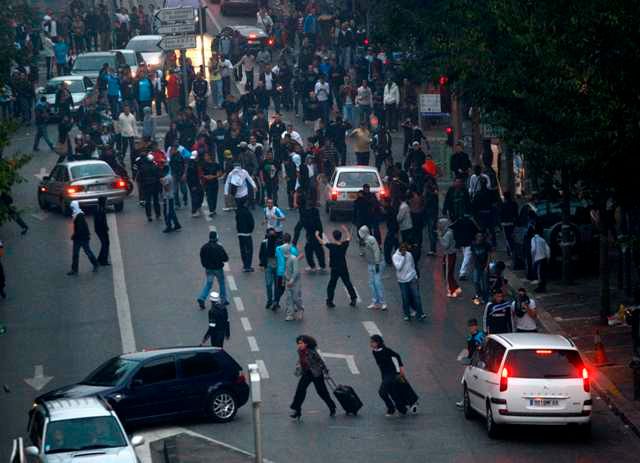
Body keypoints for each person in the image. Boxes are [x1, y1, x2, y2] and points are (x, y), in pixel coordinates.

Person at [290, 335, 336, 420]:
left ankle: (332, 406)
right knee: (300, 391)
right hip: (306, 373)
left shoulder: (312, 351)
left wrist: (325, 371)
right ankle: (297, 410)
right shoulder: (300, 351)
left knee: (322, 392)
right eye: (298, 343)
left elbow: (320, 361)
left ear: (306, 344)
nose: (299, 345)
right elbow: (301, 360)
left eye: (301, 343)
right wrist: (298, 366)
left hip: (316, 373)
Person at [370, 334, 415, 416]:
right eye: (371, 342)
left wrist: (401, 368)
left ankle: (391, 408)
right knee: (392, 391)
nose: (371, 344)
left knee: (382, 392)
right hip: (384, 375)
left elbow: (397, 355)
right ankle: (402, 409)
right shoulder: (374, 351)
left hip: (391, 374)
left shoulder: (385, 350)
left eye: (373, 342)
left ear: (378, 342)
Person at [316, 225, 357, 308]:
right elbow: (349, 237)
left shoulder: (332, 246)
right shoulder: (344, 245)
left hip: (334, 268)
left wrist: (316, 235)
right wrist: (346, 230)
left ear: (333, 237)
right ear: (340, 237)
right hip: (343, 267)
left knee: (332, 285)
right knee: (347, 282)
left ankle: (330, 301)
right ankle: (353, 298)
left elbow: (322, 242)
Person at [392, 243, 427, 321]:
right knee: (405, 297)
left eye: (406, 249)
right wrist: (403, 258)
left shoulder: (409, 254)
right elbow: (398, 268)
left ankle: (420, 313)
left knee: (416, 296)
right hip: (402, 280)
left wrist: (415, 275)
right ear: (400, 249)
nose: (405, 252)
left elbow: (412, 265)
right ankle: (407, 314)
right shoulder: (395, 257)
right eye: (403, 250)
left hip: (412, 278)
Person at [197, 230, 229, 309]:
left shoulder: (204, 247)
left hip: (208, 269)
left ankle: (202, 297)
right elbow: (225, 258)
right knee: (221, 283)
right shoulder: (219, 247)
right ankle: (223, 299)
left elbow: (202, 257)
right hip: (218, 269)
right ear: (216, 238)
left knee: (208, 284)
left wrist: (205, 265)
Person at [67, 201, 99, 276]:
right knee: (79, 253)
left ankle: (94, 264)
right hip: (80, 237)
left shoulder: (79, 216)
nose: (71, 209)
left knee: (85, 252)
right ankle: (75, 269)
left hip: (82, 238)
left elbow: (80, 229)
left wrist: (74, 235)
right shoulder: (78, 214)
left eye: (72, 207)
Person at [358, 225, 386, 310]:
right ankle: (375, 302)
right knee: (372, 283)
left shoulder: (371, 239)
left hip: (377, 263)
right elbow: (363, 252)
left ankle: (382, 302)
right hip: (370, 263)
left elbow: (376, 251)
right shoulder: (363, 240)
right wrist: (361, 246)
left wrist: (377, 263)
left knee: (377, 283)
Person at [439, 218, 461, 298]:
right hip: (452, 254)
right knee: (450, 273)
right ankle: (456, 288)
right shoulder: (450, 232)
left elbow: (445, 245)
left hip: (449, 255)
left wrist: (440, 237)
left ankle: (451, 291)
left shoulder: (448, 234)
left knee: (447, 274)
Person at [259, 228, 279, 309]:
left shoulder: (278, 243)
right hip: (268, 266)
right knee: (268, 284)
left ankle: (276, 301)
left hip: (277, 266)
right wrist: (262, 264)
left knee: (277, 285)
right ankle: (269, 300)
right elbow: (261, 254)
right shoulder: (264, 243)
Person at [471, 232, 493, 305]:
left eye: (481, 236)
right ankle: (479, 294)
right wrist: (473, 265)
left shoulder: (486, 245)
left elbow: (489, 256)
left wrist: (487, 266)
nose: (480, 238)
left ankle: (485, 298)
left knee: (485, 284)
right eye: (478, 236)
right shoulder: (473, 244)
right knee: (476, 281)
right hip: (477, 266)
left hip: (484, 266)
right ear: (476, 237)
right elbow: (473, 255)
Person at [283, 243, 304, 321]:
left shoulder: (293, 258)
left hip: (295, 281)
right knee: (289, 298)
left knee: (296, 297)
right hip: (287, 280)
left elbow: (296, 271)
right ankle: (290, 314)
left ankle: (300, 309)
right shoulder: (283, 259)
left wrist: (292, 280)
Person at [138, 154, 161, 221]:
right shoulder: (155, 166)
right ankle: (158, 214)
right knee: (156, 201)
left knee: (147, 201)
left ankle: (149, 215)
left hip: (146, 186)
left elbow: (140, 178)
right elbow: (159, 176)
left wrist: (142, 186)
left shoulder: (142, 167)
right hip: (155, 186)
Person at [160, 164, 181, 233]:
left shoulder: (166, 178)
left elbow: (167, 188)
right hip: (170, 196)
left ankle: (168, 226)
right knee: (171, 212)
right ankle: (177, 224)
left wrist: (162, 182)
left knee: (167, 213)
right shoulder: (169, 176)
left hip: (168, 197)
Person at [236, 204, 255, 272]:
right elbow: (251, 223)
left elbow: (237, 222)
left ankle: (245, 265)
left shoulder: (238, 212)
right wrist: (250, 230)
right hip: (247, 234)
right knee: (249, 250)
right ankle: (248, 266)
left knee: (243, 250)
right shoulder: (247, 212)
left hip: (240, 234)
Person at [531, 227, 550, 293]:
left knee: (539, 274)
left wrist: (533, 258)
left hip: (537, 258)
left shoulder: (533, 239)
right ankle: (543, 287)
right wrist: (548, 258)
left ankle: (540, 288)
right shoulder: (542, 240)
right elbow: (548, 249)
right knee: (543, 274)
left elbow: (533, 249)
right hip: (544, 258)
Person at [94, 197, 110, 266]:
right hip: (101, 230)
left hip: (99, 230)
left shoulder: (99, 208)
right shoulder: (101, 210)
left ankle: (100, 259)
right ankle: (103, 260)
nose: (107, 203)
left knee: (104, 244)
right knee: (105, 244)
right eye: (106, 201)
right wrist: (106, 228)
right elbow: (101, 222)